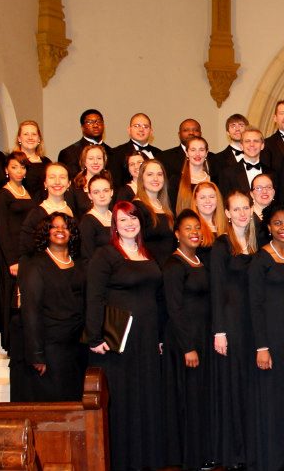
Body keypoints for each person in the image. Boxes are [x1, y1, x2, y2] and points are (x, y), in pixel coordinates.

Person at [86, 200, 165, 470]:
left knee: (147, 399)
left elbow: (157, 298)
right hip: (118, 341)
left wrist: (159, 337)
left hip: (147, 339)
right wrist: (95, 337)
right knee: (124, 402)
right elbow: (94, 297)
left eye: (133, 218)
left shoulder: (148, 254)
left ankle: (146, 460)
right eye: (123, 220)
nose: (129, 223)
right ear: (115, 226)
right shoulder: (105, 255)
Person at [248, 204, 284, 471]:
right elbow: (255, 305)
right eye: (278, 223)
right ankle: (271, 459)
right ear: (268, 227)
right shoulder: (260, 259)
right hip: (270, 338)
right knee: (272, 398)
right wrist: (262, 346)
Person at [163, 210, 218, 470]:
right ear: (177, 234)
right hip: (187, 343)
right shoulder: (174, 265)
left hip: (204, 338)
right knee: (190, 399)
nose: (194, 232)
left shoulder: (199, 260)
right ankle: (191, 459)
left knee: (202, 398)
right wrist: (188, 347)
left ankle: (205, 453)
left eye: (197, 227)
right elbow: (174, 310)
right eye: (188, 228)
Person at [211, 191, 258, 471]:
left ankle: (252, 447)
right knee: (234, 385)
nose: (241, 213)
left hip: (252, 322)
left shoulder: (256, 243)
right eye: (236, 209)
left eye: (245, 208)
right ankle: (235, 451)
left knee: (250, 384)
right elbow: (217, 289)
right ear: (226, 213)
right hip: (231, 322)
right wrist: (219, 330)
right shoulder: (221, 245)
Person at [20, 212, 87, 401]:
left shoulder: (79, 264)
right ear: (46, 232)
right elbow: (30, 312)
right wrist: (37, 355)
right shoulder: (36, 265)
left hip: (77, 348)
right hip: (51, 350)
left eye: (65, 227)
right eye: (54, 227)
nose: (60, 230)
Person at [0, 152, 35, 355]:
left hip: (27, 253)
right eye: (14, 167)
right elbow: (2, 229)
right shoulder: (3, 194)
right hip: (11, 256)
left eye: (22, 167)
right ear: (6, 170)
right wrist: (12, 260)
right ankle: (10, 343)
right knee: (11, 299)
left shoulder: (26, 191)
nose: (19, 171)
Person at [19, 163, 74, 260]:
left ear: (69, 183)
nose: (57, 182)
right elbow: (25, 249)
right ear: (45, 183)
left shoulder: (74, 210)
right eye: (52, 177)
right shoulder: (35, 214)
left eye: (62, 177)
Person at [132, 159, 175, 266]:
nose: (155, 178)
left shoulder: (166, 207)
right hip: (150, 269)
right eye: (150, 174)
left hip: (168, 268)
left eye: (159, 174)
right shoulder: (137, 207)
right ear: (142, 178)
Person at [109, 112, 161, 189]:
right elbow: (116, 183)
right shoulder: (116, 153)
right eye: (136, 126)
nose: (141, 129)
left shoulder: (159, 154)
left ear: (151, 131)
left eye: (145, 126)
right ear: (129, 130)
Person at [220, 127, 274, 197]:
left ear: (262, 146)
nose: (252, 144)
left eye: (256, 141)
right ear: (241, 146)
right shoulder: (227, 174)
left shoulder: (272, 173)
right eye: (247, 141)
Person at [57, 109, 110, 180]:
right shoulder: (69, 153)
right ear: (82, 127)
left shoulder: (112, 152)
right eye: (89, 122)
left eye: (99, 121)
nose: (95, 125)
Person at [13, 120, 51, 201]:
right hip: (20, 207)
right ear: (19, 139)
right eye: (26, 134)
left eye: (34, 134)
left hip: (43, 208)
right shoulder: (12, 161)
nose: (30, 138)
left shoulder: (47, 162)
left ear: (39, 139)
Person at [78, 174, 113, 262]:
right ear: (90, 195)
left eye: (105, 190)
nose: (102, 195)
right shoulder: (87, 222)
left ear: (111, 192)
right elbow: (87, 257)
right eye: (96, 192)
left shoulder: (118, 217)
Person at [173, 135, 212, 213]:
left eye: (201, 150)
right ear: (187, 153)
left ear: (206, 153)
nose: (197, 154)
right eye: (193, 150)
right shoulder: (176, 180)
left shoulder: (215, 180)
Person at [69, 144, 109, 216]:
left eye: (99, 158)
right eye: (91, 158)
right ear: (84, 162)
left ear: (104, 161)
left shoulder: (110, 183)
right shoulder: (74, 186)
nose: (95, 162)